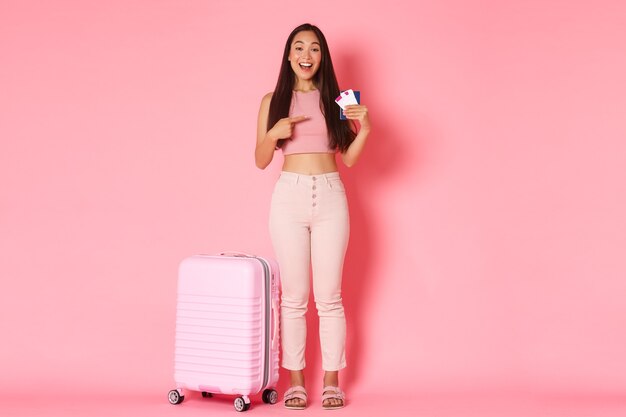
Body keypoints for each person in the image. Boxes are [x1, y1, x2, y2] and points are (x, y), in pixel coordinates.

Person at [255, 23, 370, 410]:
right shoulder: (272, 100)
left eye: (315, 49)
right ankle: (297, 382)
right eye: (299, 47)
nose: (307, 55)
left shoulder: (338, 100)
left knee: (330, 298)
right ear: (289, 55)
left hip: (332, 196)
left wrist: (365, 127)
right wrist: (275, 133)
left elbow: (350, 159)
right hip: (289, 197)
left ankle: (332, 383)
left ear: (322, 57)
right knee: (294, 298)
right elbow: (260, 160)